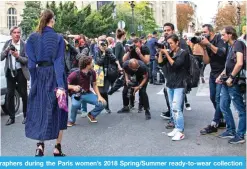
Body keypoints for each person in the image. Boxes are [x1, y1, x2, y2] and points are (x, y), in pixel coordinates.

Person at [25, 9, 67, 156]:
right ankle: (57, 147)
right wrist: (61, 85)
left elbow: (30, 65)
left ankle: (40, 146)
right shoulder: (58, 38)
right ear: (52, 20)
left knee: (41, 110)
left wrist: (34, 79)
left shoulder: (31, 38)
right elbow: (58, 63)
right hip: (55, 76)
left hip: (40, 75)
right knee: (59, 110)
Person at [217, 26, 246, 144]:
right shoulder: (231, 46)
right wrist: (221, 75)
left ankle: (240, 135)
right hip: (227, 80)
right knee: (223, 105)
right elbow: (228, 64)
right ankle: (230, 130)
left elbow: (239, 63)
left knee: (240, 109)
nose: (221, 36)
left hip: (233, 82)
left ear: (230, 34)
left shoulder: (238, 44)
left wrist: (231, 77)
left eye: (223, 34)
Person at [158, 34, 190, 141]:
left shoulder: (183, 53)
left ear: (177, 42)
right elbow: (161, 64)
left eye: (171, 43)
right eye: (168, 43)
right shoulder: (171, 52)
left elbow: (175, 65)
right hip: (170, 84)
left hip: (179, 84)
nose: (170, 45)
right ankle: (176, 128)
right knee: (172, 107)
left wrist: (167, 54)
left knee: (177, 108)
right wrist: (160, 52)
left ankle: (180, 131)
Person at [199, 24, 228, 135]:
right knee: (212, 97)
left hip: (222, 73)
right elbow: (207, 61)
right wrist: (204, 49)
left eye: (204, 32)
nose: (203, 34)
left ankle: (214, 123)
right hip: (213, 73)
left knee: (218, 98)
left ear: (210, 32)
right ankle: (221, 119)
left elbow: (221, 52)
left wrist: (208, 44)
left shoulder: (219, 39)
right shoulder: (206, 43)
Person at [0, 26, 30, 125]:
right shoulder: (7, 44)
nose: (17, 34)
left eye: (18, 33)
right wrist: (6, 51)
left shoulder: (24, 45)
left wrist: (18, 57)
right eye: (15, 32)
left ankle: (26, 116)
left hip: (20, 72)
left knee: (24, 94)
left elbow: (27, 60)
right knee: (9, 95)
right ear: (11, 34)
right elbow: (1, 57)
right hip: (10, 71)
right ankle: (11, 117)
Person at [67, 56, 106, 125]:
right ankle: (71, 121)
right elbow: (65, 85)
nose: (93, 64)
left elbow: (94, 85)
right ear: (87, 65)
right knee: (75, 105)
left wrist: (99, 96)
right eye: (91, 63)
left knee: (103, 103)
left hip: (87, 93)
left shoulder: (92, 72)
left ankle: (91, 115)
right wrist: (73, 87)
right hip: (76, 94)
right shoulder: (74, 74)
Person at [95, 39, 122, 113]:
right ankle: (101, 106)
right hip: (99, 75)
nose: (102, 46)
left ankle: (106, 107)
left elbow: (114, 59)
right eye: (100, 44)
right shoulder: (97, 53)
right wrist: (103, 54)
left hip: (107, 75)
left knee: (104, 91)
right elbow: (99, 62)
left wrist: (107, 51)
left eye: (103, 44)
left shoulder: (109, 51)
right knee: (100, 92)